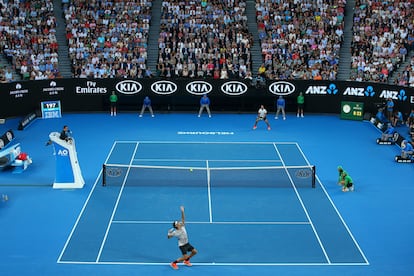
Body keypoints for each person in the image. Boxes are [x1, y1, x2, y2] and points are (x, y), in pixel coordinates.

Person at [168, 206, 197, 270]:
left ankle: (186, 261)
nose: (179, 222)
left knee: (195, 252)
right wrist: (169, 233)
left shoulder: (182, 226)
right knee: (185, 256)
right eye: (177, 223)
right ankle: (173, 263)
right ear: (176, 225)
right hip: (182, 245)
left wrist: (182, 211)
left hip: (187, 243)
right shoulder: (175, 232)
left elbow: (183, 218)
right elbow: (169, 237)